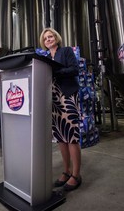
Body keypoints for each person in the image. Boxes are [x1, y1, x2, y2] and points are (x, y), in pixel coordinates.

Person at [39, 27, 82, 191]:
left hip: (68, 96)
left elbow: (74, 69)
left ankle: (76, 175)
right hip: (54, 100)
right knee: (60, 137)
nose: (48, 39)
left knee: (72, 136)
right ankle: (66, 170)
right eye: (45, 38)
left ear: (56, 37)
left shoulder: (66, 51)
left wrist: (56, 72)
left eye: (50, 36)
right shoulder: (45, 57)